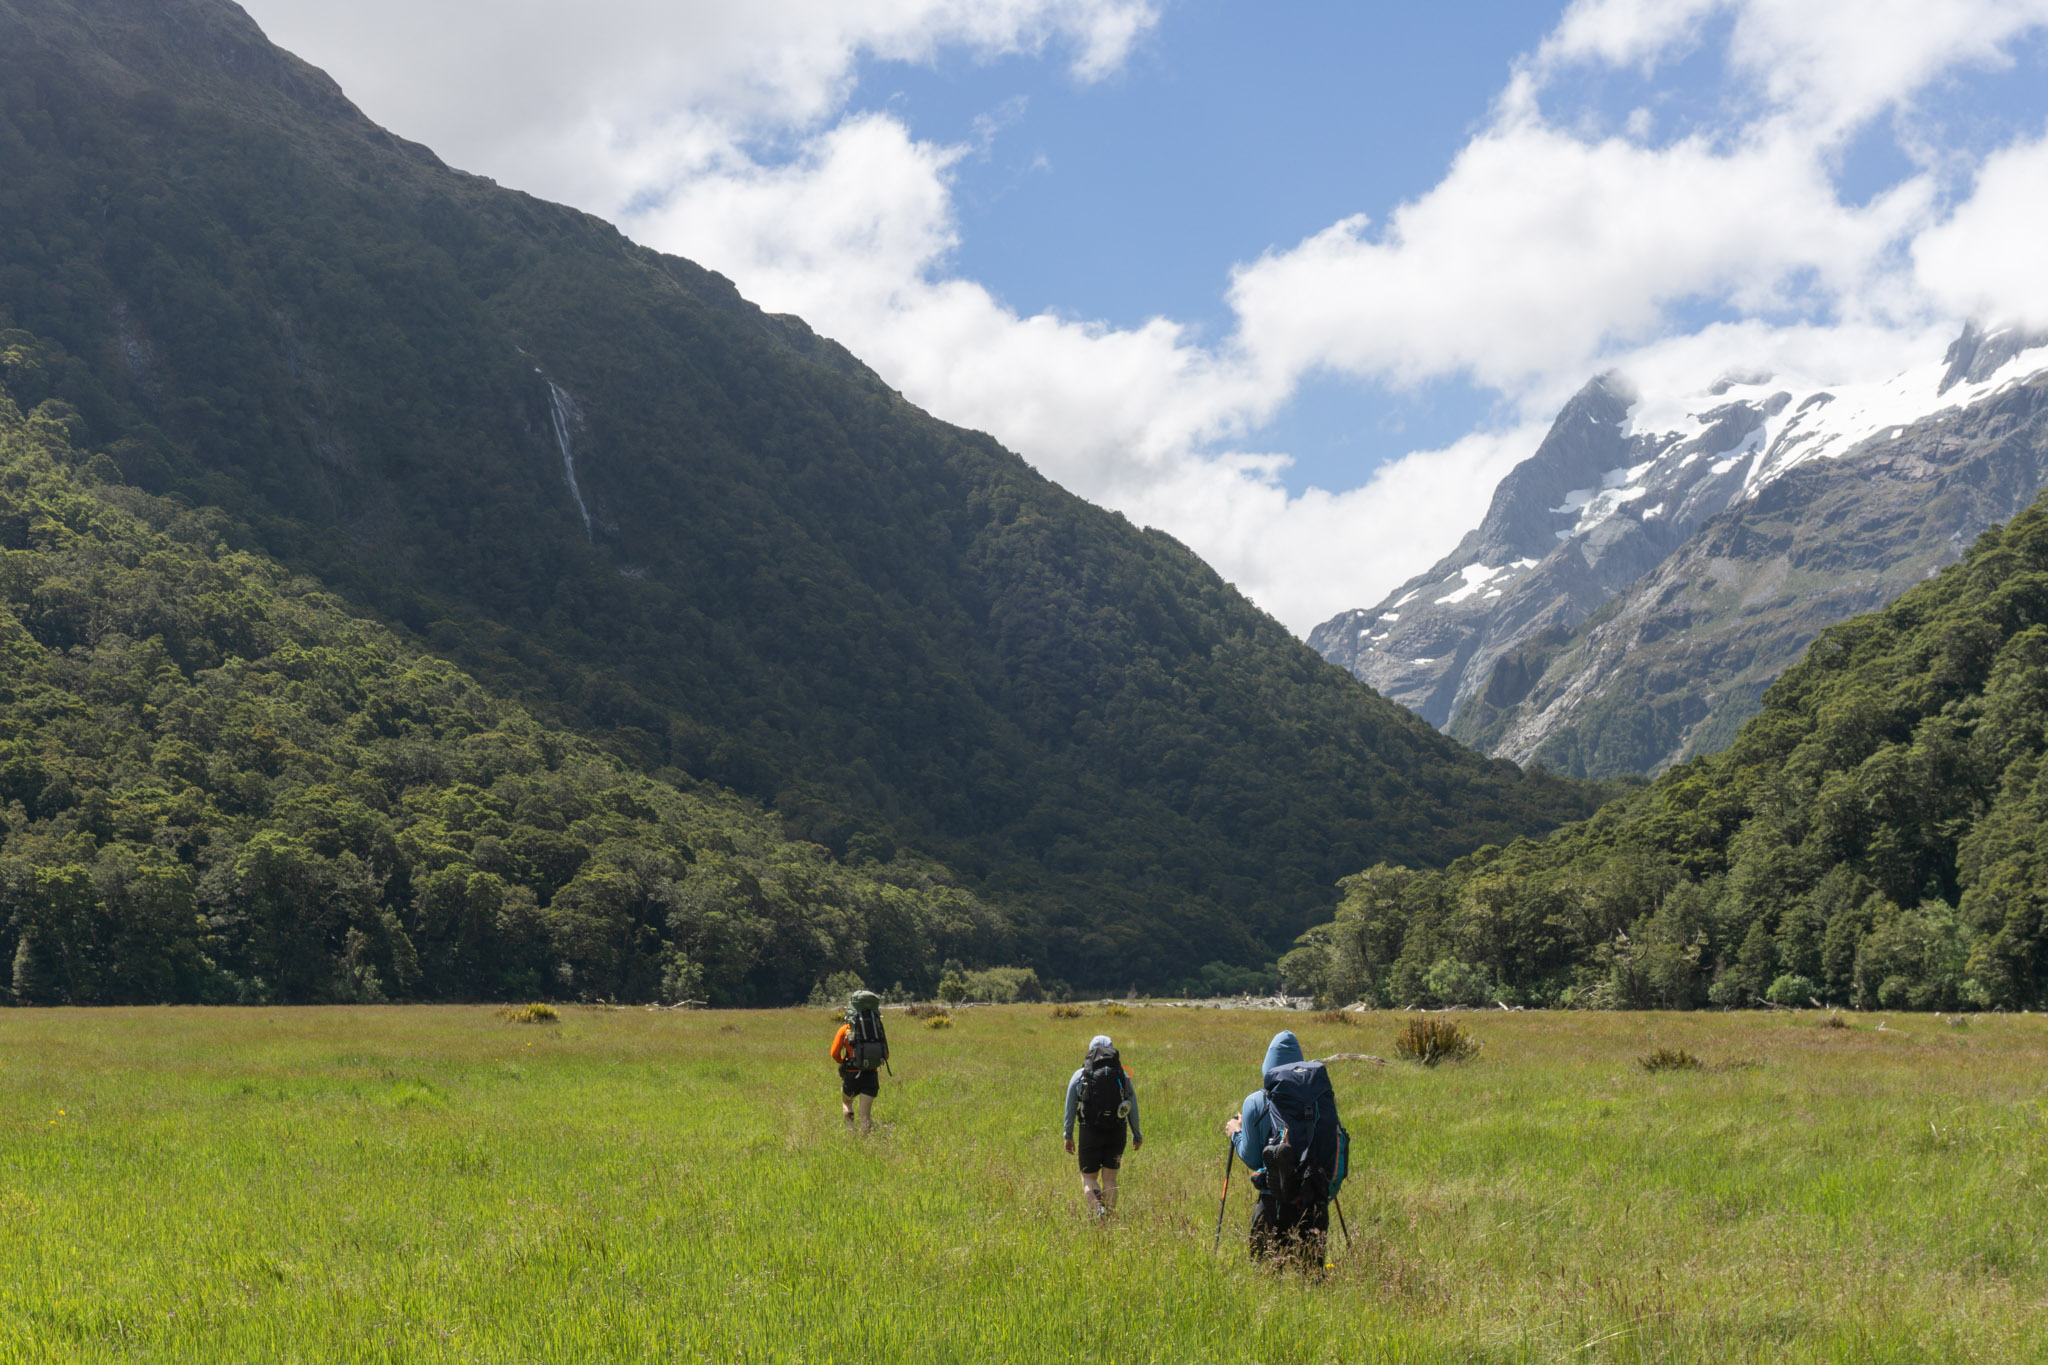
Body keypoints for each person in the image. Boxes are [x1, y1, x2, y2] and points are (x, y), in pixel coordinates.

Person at [1222, 1028, 1340, 1267]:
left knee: (1265, 1284)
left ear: (1268, 1063)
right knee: (1311, 1286)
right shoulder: (1321, 1099)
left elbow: (1253, 1158)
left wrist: (1236, 1133)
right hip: (1315, 1203)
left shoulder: (1256, 1101)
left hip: (1272, 1205)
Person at [1063, 1034, 1143, 1218]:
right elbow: (1132, 1107)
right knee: (1110, 1179)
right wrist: (1136, 1135)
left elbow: (1070, 1107)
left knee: (1089, 1178)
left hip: (1089, 1130)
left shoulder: (1080, 1075)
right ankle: (1109, 1218)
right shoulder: (1122, 1075)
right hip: (1117, 1131)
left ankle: (1098, 1210)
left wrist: (1068, 1135)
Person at [830, 991, 889, 1132]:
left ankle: (851, 1132)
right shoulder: (877, 1029)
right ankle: (865, 1141)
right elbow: (886, 1055)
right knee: (865, 1116)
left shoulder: (845, 1030)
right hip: (871, 1075)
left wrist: (845, 1061)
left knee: (847, 1102)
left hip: (851, 1074)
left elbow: (834, 1054)